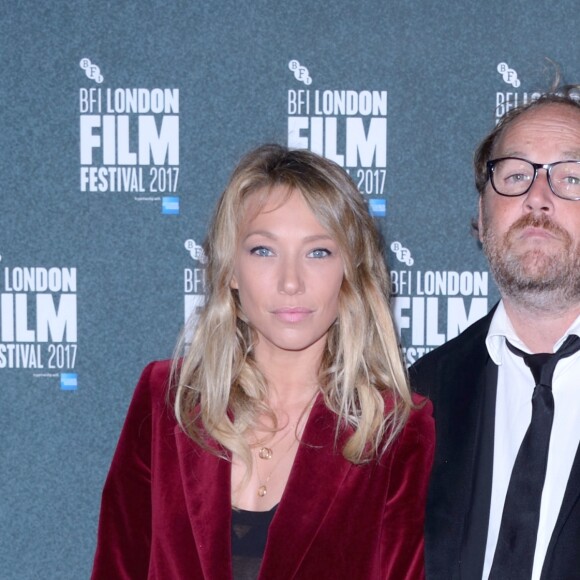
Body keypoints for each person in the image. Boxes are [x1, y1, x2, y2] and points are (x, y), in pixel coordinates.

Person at [92, 144, 434, 579]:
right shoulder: (167, 401)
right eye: (263, 251)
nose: (291, 282)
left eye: (318, 252)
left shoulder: (394, 431)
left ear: (350, 269)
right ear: (230, 270)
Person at [410, 85, 580, 580]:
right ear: (482, 217)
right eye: (515, 175)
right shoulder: (414, 400)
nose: (537, 198)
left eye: (571, 178)